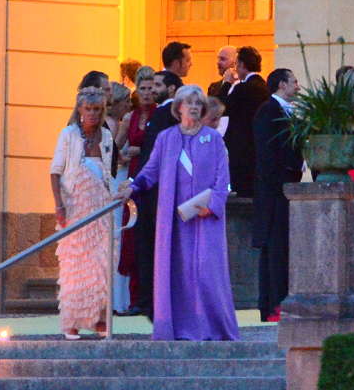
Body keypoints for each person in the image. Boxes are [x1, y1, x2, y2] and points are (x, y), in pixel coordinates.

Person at [116, 85, 240, 341]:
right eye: (188, 102)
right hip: (174, 219)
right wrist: (132, 185)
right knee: (179, 273)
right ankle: (179, 328)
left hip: (205, 216)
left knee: (206, 272)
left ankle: (212, 327)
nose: (193, 107)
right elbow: (150, 171)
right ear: (178, 108)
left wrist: (212, 205)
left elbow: (222, 178)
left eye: (198, 103)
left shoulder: (214, 138)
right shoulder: (166, 138)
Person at [50, 87, 114, 340]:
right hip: (75, 206)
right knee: (76, 264)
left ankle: (98, 318)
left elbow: (108, 171)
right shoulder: (68, 135)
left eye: (97, 110)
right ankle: (72, 321)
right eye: (88, 109)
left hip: (101, 206)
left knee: (101, 264)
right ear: (79, 110)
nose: (93, 115)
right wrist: (59, 205)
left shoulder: (106, 137)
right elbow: (55, 171)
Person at [130, 70, 183, 318]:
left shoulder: (165, 113)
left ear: (172, 89)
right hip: (152, 188)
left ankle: (150, 301)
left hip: (156, 193)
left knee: (151, 246)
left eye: (159, 85)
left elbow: (156, 155)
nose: (153, 89)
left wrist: (138, 182)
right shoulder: (161, 112)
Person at [252, 69, 303, 322]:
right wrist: (292, 168)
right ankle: (272, 306)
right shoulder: (268, 111)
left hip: (284, 191)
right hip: (274, 192)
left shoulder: (285, 111)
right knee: (274, 248)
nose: (299, 86)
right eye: (295, 82)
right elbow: (268, 153)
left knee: (281, 248)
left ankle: (279, 302)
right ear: (282, 84)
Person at [115, 66, 157, 313]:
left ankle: (148, 298)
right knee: (131, 236)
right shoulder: (130, 118)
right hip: (132, 178)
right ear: (137, 90)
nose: (147, 93)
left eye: (151, 88)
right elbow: (116, 147)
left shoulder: (161, 115)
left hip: (150, 179)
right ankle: (133, 299)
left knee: (147, 236)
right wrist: (122, 155)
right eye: (142, 88)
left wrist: (140, 151)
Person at [218, 46, 270, 197]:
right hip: (258, 148)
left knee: (242, 193)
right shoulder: (264, 87)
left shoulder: (243, 88)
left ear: (241, 64)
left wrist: (226, 83)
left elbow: (220, 107)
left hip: (241, 151)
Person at [106, 82, 133, 314]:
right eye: (126, 101)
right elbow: (114, 155)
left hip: (119, 179)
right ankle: (117, 299)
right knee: (118, 236)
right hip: (118, 179)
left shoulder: (116, 123)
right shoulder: (114, 124)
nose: (128, 105)